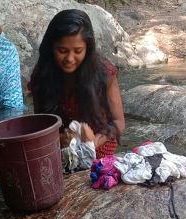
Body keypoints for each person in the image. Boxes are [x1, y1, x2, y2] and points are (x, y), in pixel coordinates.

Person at [29, 9, 125, 158]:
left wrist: (94, 141)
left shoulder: (104, 73)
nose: (70, 58)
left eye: (78, 51)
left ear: (88, 48)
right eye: (62, 50)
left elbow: (119, 122)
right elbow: (41, 128)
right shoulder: (42, 76)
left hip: (100, 148)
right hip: (61, 149)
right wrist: (62, 139)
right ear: (51, 47)